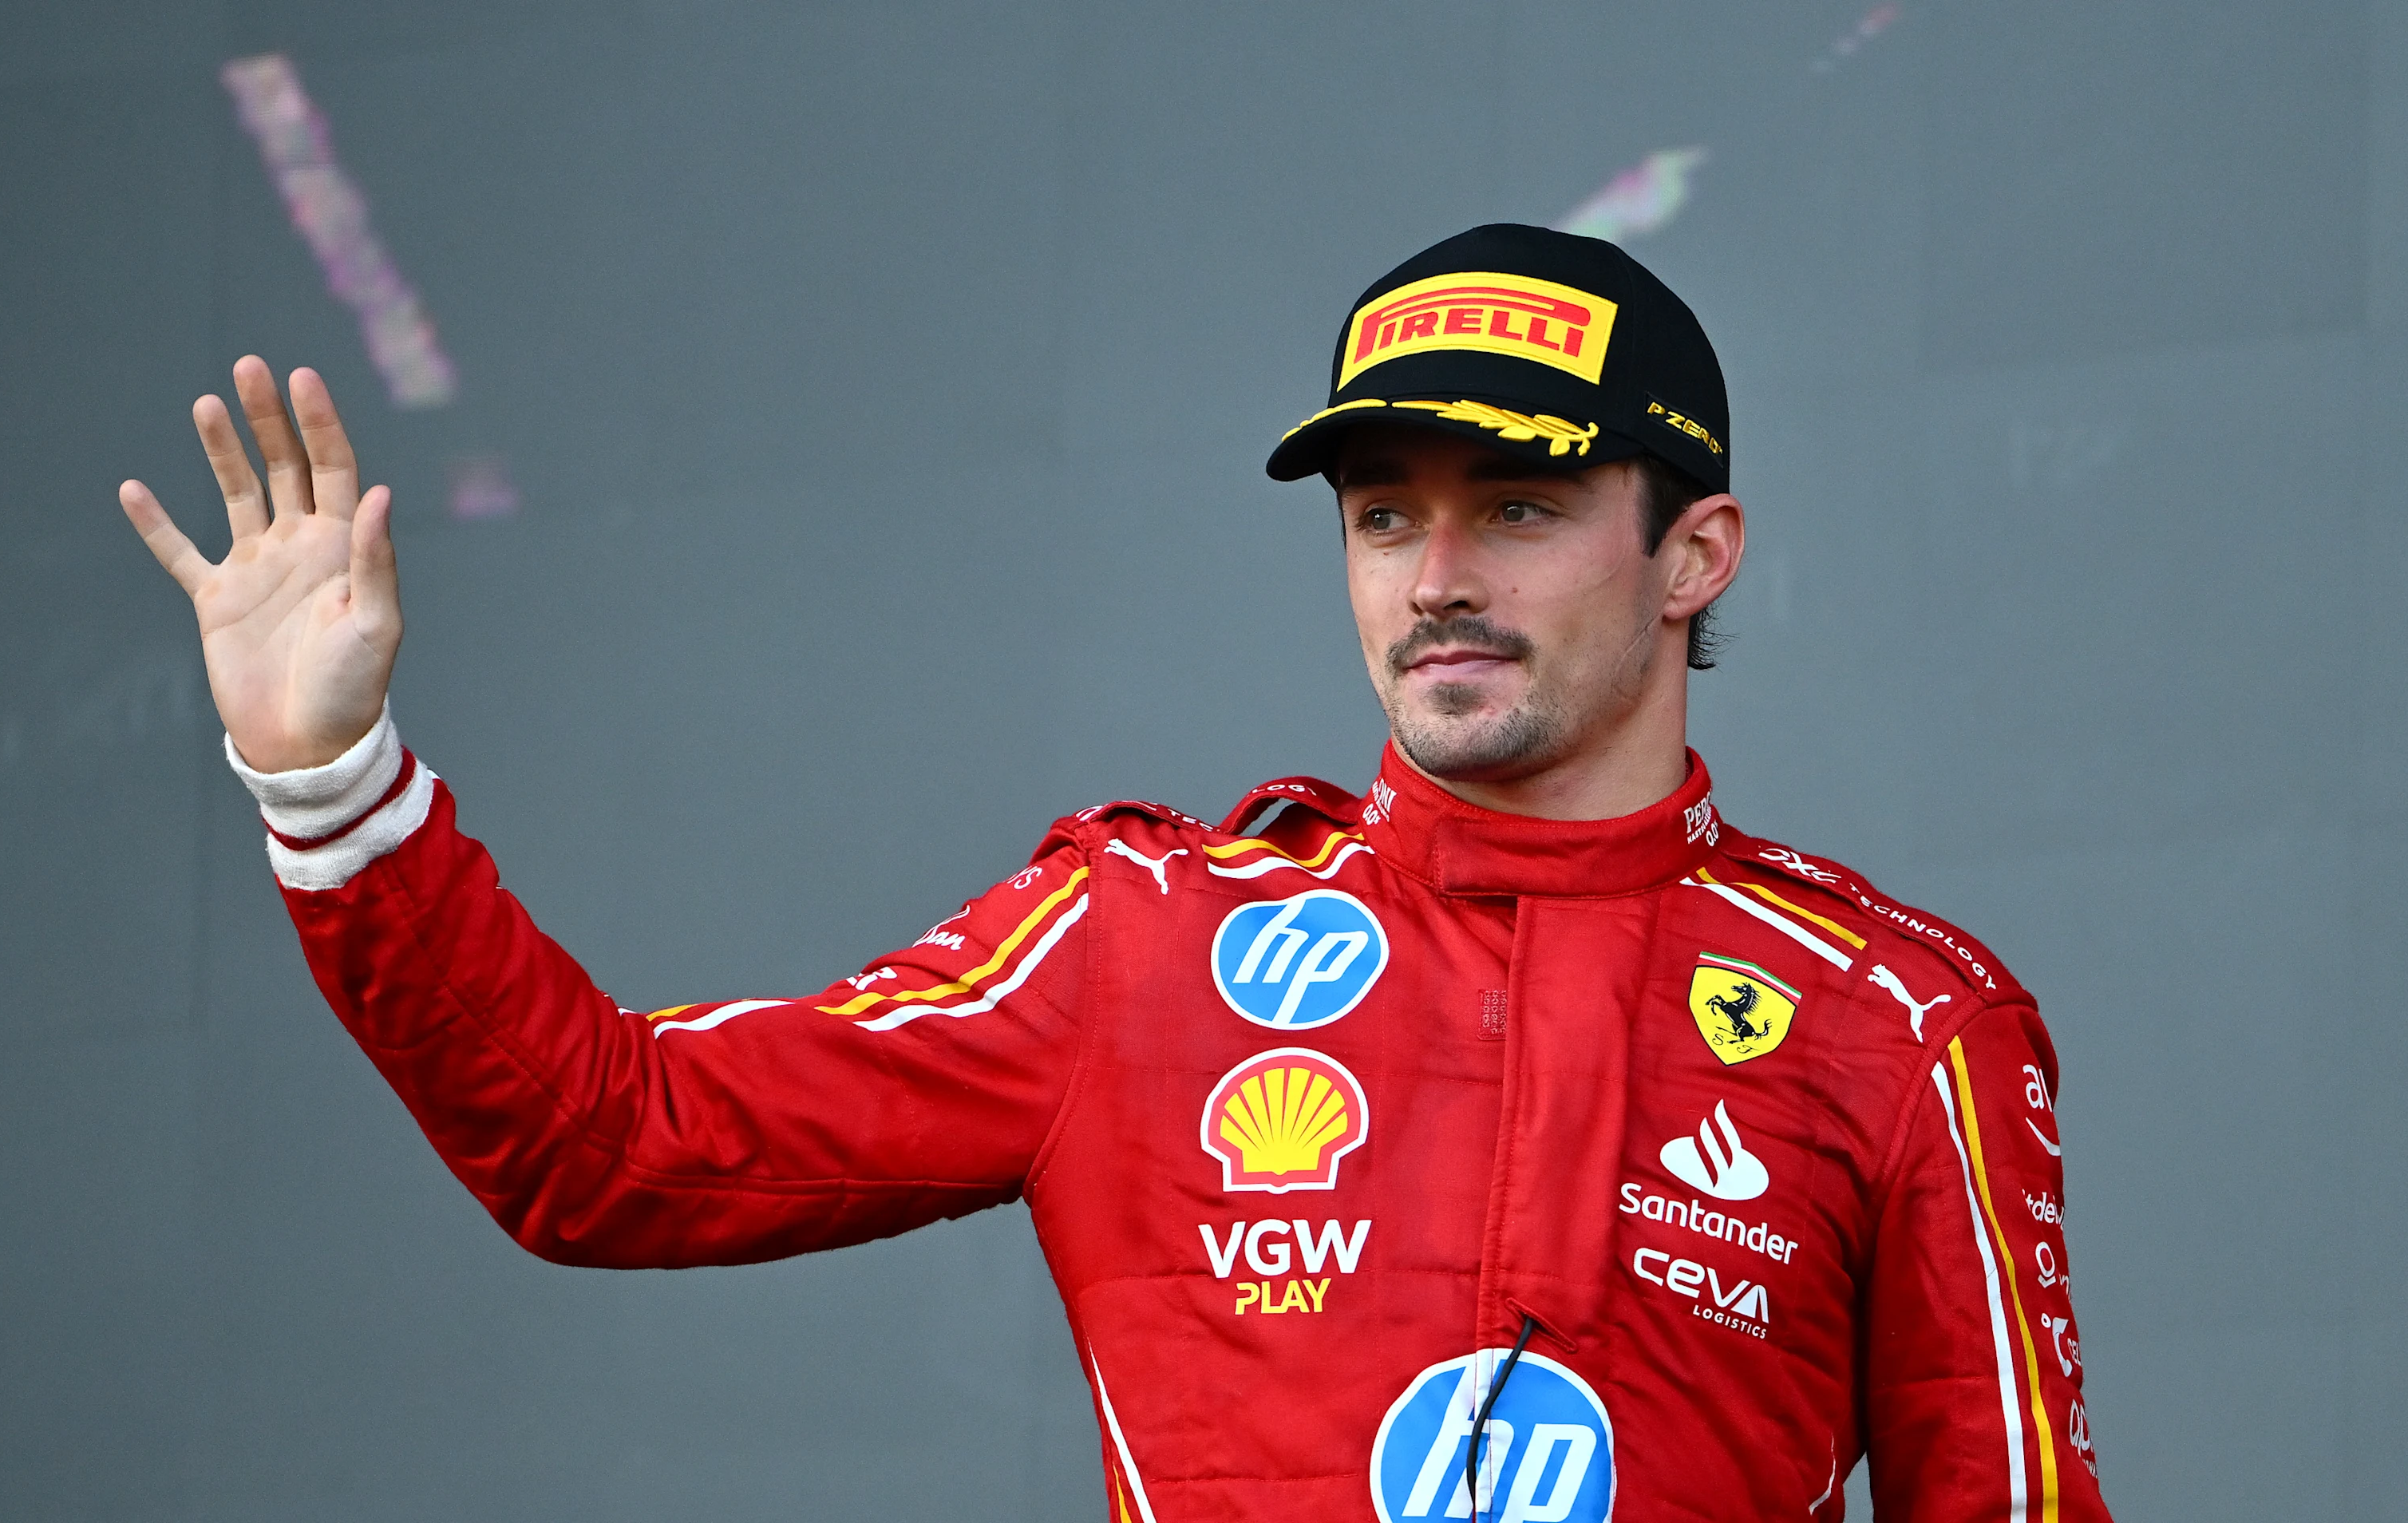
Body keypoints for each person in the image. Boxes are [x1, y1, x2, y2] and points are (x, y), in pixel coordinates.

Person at [120, 224, 2110, 1521]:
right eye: (1380, 515)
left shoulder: (1903, 1017)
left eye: (1518, 505)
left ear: (1697, 554)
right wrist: (329, 778)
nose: (1434, 578)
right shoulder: (1148, 941)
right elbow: (612, 1146)